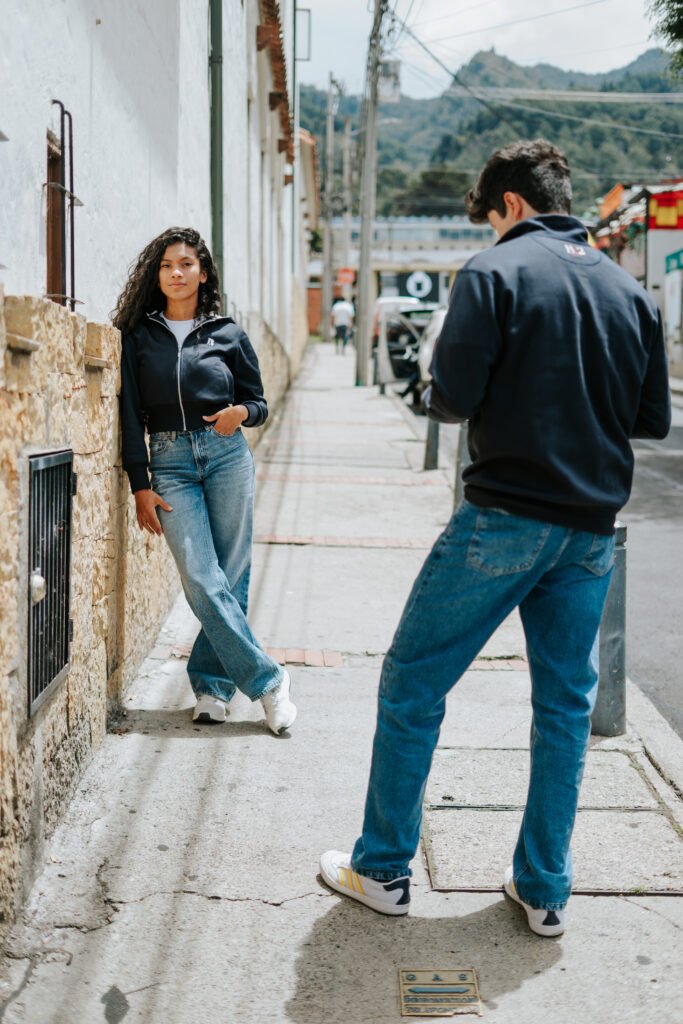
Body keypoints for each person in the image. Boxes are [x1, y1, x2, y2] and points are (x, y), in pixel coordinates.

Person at [320, 139, 671, 936]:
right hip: (588, 534)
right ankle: (544, 890)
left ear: (508, 204)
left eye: (488, 215)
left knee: (412, 685)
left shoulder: (491, 271)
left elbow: (449, 399)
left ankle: (381, 870)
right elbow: (650, 420)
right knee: (562, 709)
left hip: (503, 518)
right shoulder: (629, 291)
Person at [115, 226, 296, 735]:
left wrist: (241, 411)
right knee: (200, 577)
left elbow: (258, 403)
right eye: (168, 265)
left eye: (187, 264)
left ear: (203, 272)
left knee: (230, 577)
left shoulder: (227, 333)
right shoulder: (139, 338)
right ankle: (269, 682)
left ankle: (212, 687)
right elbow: (130, 415)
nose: (177, 272)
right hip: (169, 461)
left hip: (226, 456)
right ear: (157, 274)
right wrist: (139, 483)